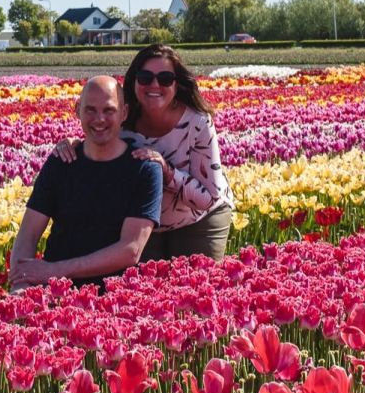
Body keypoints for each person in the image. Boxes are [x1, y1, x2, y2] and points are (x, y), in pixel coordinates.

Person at [54, 45, 236, 261]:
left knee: (196, 287)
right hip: (143, 222)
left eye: (165, 78)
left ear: (177, 84)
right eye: (145, 77)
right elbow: (98, 143)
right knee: (143, 287)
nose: (155, 85)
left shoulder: (196, 121)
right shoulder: (122, 119)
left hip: (198, 218)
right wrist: (75, 145)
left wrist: (167, 172)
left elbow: (208, 198)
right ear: (134, 81)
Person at [9, 76, 162, 291]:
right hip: (57, 293)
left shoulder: (143, 169)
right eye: (90, 110)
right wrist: (21, 284)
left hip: (114, 297)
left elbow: (131, 249)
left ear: (124, 113)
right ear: (77, 110)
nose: (99, 119)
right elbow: (29, 233)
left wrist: (53, 271)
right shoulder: (61, 162)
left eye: (109, 110)